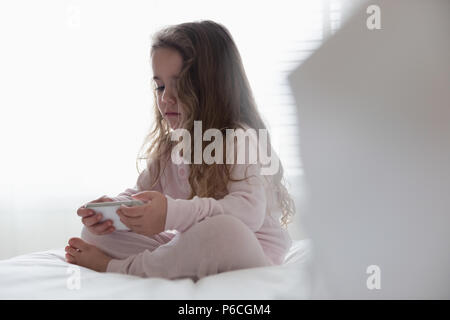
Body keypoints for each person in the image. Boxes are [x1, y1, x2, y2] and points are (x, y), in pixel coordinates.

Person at [65, 20, 295, 280]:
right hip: (196, 245)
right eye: (160, 86)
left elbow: (248, 213)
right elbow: (144, 192)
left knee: (224, 230)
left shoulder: (239, 137)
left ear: (213, 87)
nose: (165, 99)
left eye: (180, 86)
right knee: (97, 234)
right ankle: (170, 260)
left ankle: (117, 267)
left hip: (248, 251)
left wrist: (170, 214)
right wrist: (116, 210)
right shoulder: (173, 146)